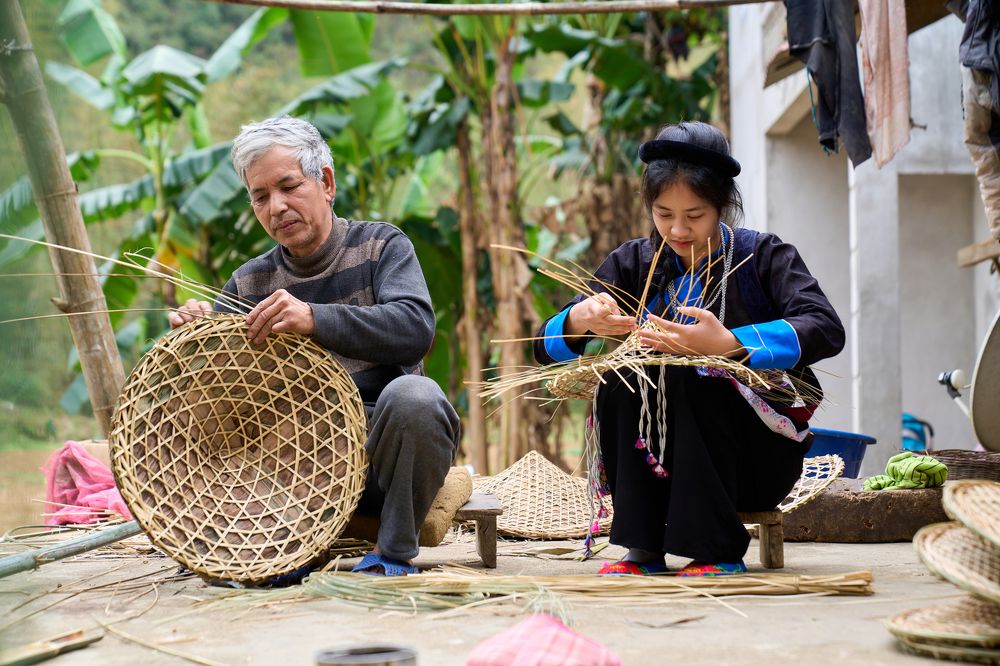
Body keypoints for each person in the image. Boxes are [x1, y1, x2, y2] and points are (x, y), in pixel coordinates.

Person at [533, 121, 845, 576]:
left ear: (722, 204)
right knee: (622, 376)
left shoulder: (764, 258)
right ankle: (641, 548)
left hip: (754, 465)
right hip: (659, 462)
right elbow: (543, 347)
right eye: (663, 214)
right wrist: (580, 320)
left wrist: (731, 345)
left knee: (693, 376)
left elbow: (825, 327)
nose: (677, 229)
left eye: (694, 215)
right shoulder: (635, 263)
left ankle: (716, 550)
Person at [169, 116, 460, 577]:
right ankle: (273, 549)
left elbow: (414, 328)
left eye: (289, 186)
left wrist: (313, 318)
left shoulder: (381, 246)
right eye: (260, 197)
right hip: (293, 471)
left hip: (380, 461)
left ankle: (392, 553)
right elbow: (221, 392)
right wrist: (195, 335)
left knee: (416, 398)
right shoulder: (248, 282)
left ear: (325, 182)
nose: (276, 206)